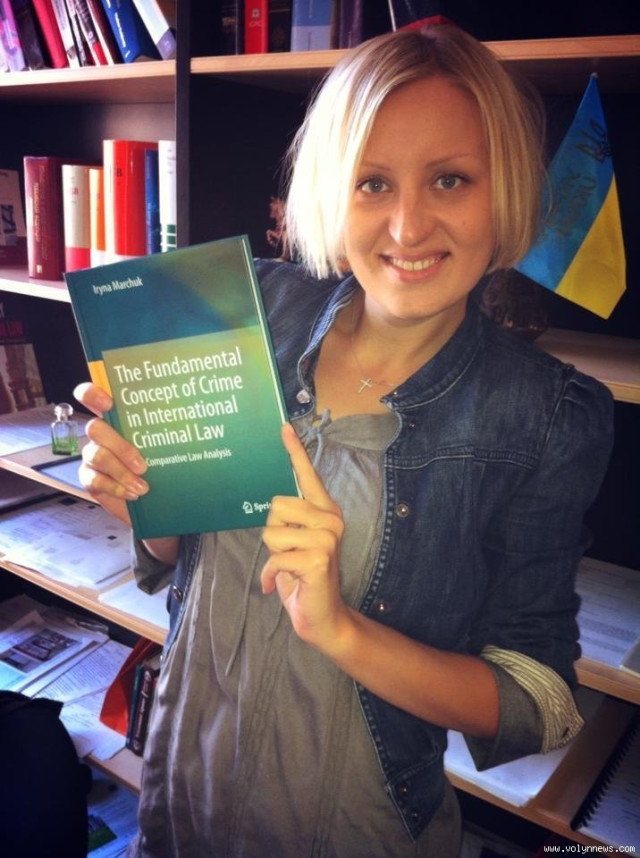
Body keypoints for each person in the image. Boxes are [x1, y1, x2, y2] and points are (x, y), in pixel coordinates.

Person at [75, 22, 614, 858]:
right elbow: (184, 560)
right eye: (372, 183)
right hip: (178, 804)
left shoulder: (543, 414)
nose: (407, 225)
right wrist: (141, 494)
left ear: (503, 188)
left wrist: (339, 627)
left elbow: (537, 702)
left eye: (449, 179)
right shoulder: (244, 308)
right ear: (333, 189)